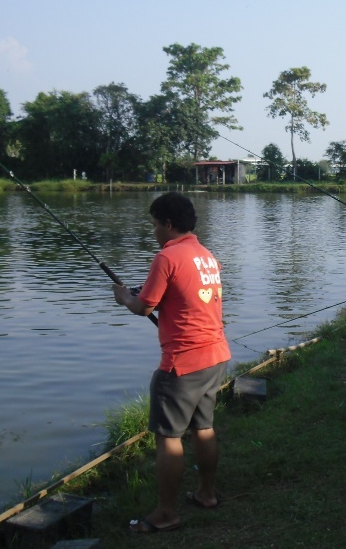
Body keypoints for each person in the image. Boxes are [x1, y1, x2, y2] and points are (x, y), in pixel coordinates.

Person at [112, 192, 230, 534]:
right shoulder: (206, 256)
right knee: (204, 427)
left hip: (182, 364)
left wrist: (124, 297)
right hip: (215, 356)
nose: (153, 232)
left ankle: (166, 513)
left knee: (169, 436)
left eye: (154, 225)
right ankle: (206, 494)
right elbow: (190, 298)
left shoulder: (167, 257)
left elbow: (144, 307)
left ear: (167, 223)